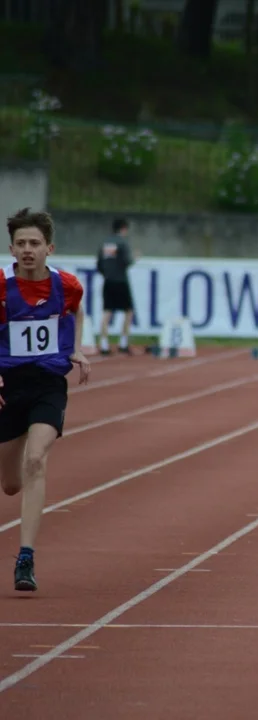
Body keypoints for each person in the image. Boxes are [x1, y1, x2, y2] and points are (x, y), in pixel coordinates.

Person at [2, 208, 92, 592]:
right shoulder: (2, 287)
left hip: (49, 383)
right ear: (11, 248)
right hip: (9, 386)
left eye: (34, 243)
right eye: (21, 243)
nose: (27, 250)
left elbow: (76, 311)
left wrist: (76, 348)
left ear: (48, 248)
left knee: (37, 459)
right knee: (9, 484)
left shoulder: (67, 285)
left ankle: (25, 557)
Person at [96, 217, 138, 355]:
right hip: (120, 281)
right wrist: (135, 258)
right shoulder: (122, 243)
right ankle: (123, 343)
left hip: (108, 281)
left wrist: (107, 274)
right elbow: (126, 261)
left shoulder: (105, 243)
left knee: (107, 311)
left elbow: (99, 264)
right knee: (128, 311)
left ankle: (103, 344)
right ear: (124, 228)